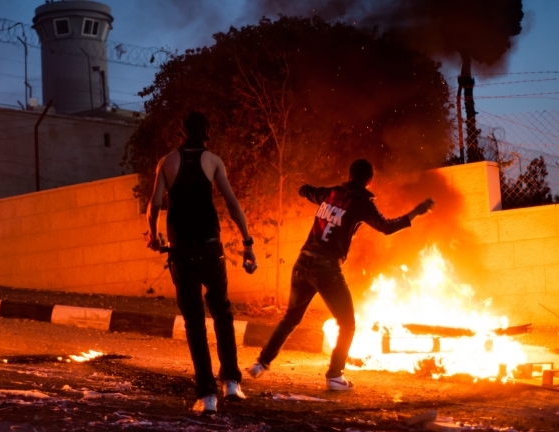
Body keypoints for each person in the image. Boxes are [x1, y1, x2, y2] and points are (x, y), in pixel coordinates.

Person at [248, 159, 434, 391]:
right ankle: (335, 376)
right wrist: (416, 212)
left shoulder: (331, 192)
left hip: (302, 261)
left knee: (291, 318)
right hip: (325, 268)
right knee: (347, 323)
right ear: (369, 181)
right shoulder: (362, 202)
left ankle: (261, 363)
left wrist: (303, 188)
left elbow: (309, 191)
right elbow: (386, 227)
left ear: (349, 175)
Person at [147, 112, 257, 413]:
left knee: (194, 322)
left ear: (180, 132)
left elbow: (155, 203)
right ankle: (232, 383)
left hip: (181, 250)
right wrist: (248, 243)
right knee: (222, 312)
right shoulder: (213, 161)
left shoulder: (167, 162)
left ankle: (207, 396)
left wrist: (154, 234)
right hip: (211, 248)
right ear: (206, 134)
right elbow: (232, 203)